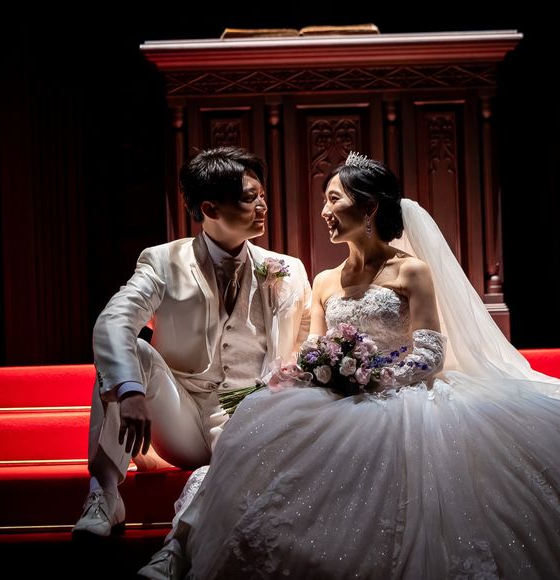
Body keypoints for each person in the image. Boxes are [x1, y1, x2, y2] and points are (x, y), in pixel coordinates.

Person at [147, 151, 560, 579]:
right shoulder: (325, 280)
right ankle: (180, 546)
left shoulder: (411, 272)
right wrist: (306, 370)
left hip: (403, 398)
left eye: (333, 200)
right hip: (341, 394)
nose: (324, 212)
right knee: (253, 431)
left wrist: (375, 378)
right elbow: (314, 347)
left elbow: (430, 354)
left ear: (369, 207)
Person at [71, 146, 311, 541]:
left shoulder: (287, 269)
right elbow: (114, 321)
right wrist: (130, 391)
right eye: (250, 197)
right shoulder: (163, 261)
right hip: (179, 416)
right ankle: (104, 494)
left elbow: (304, 342)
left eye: (263, 195)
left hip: (250, 420)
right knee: (134, 351)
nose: (263, 206)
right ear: (210, 208)